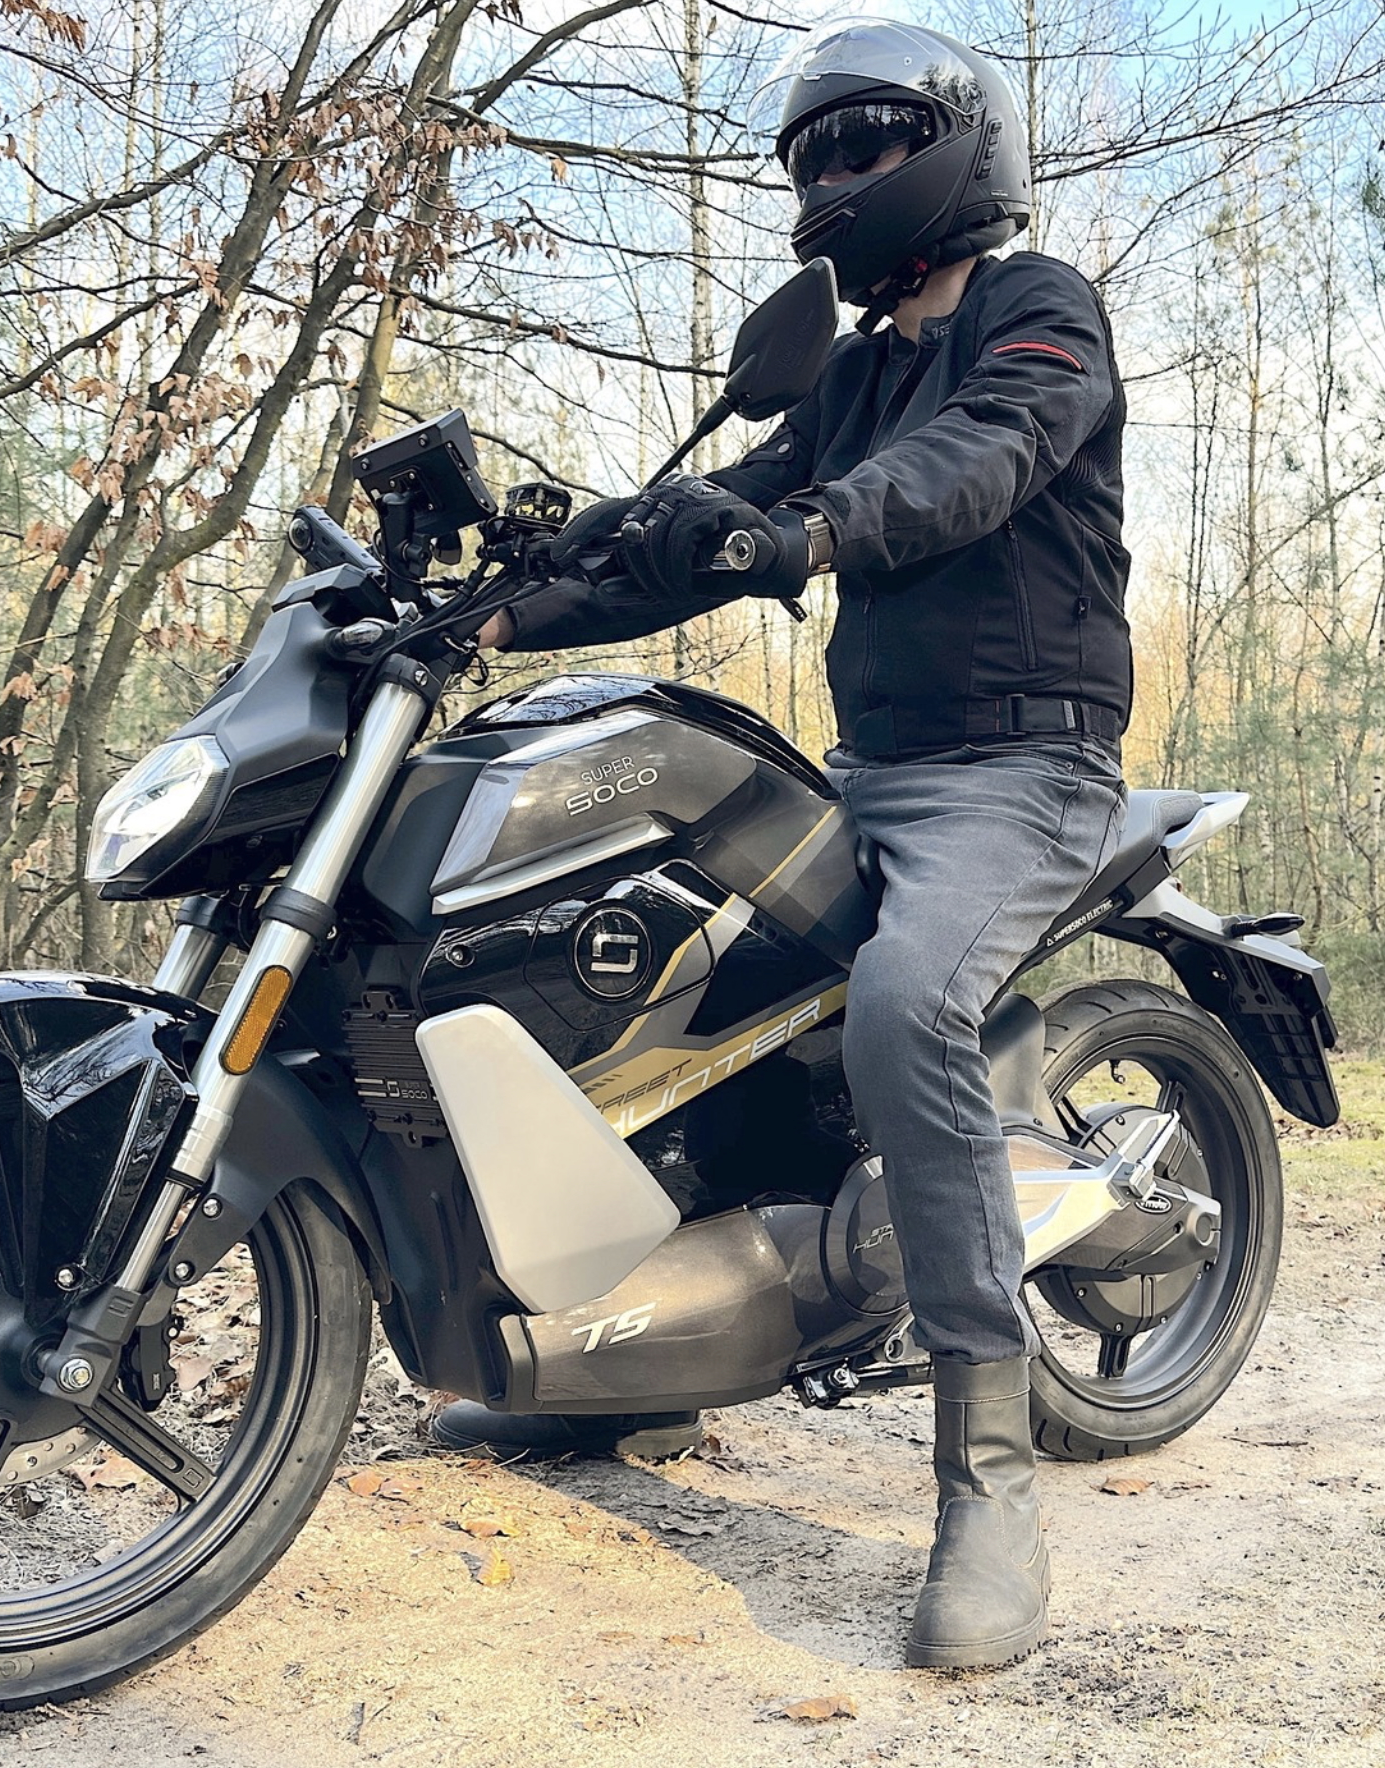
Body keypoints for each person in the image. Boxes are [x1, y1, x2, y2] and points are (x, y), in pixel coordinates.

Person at [429, 19, 1133, 1670]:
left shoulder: (1040, 311)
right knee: (636, 982)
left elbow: (976, 464)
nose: (830, 179)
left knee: (906, 1008)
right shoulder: (854, 369)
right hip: (869, 769)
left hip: (1021, 772)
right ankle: (633, 1368)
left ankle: (988, 1481)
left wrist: (803, 531)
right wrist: (500, 609)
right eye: (811, 155)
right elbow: (709, 526)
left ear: (957, 150)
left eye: (863, 145)